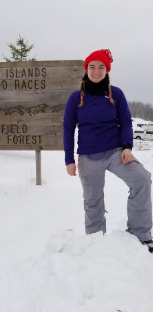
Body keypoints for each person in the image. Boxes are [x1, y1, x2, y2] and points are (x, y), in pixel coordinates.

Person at [63, 49, 153, 252]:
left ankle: (141, 236)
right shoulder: (76, 98)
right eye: (92, 67)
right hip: (88, 156)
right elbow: (68, 129)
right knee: (93, 200)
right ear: (86, 70)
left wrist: (127, 147)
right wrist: (69, 160)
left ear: (107, 70)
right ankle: (96, 243)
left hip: (115, 152)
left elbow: (126, 122)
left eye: (101, 67)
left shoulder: (116, 94)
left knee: (142, 180)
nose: (96, 71)